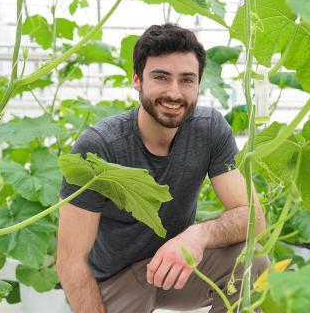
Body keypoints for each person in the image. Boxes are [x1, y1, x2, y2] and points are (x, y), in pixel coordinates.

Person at [57, 23, 268, 313]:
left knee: (251, 261)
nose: (174, 92)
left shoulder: (209, 129)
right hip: (114, 279)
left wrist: (198, 234)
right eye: (161, 77)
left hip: (174, 267)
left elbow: (254, 217)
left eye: (186, 80)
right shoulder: (99, 146)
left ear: (198, 84)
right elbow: (70, 259)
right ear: (136, 80)